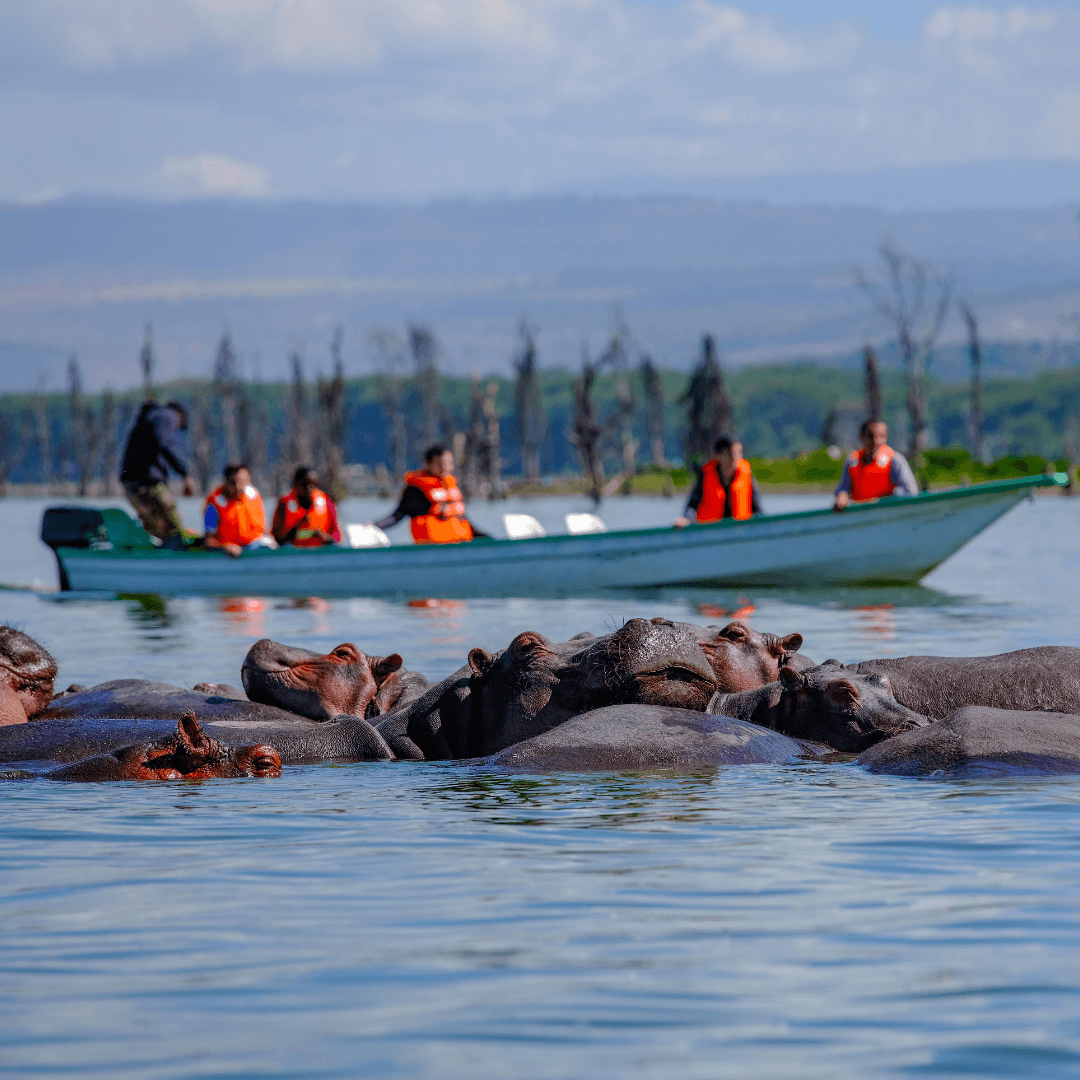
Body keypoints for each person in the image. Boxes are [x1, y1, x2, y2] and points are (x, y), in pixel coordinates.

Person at [119, 400, 195, 547]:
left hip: (131, 485)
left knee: (158, 528)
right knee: (173, 526)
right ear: (181, 417)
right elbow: (164, 443)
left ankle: (165, 550)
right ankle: (178, 552)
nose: (175, 429)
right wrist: (184, 472)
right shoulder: (168, 416)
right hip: (148, 483)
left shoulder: (150, 417)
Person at [374, 445, 486, 544]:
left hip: (460, 544)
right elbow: (397, 516)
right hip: (433, 547)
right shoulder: (416, 490)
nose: (445, 468)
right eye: (440, 464)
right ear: (428, 464)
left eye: (449, 463)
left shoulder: (450, 486)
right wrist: (374, 527)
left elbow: (462, 518)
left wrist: (486, 538)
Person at [674, 436, 762, 528]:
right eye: (730, 453)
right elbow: (692, 505)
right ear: (718, 455)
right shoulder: (705, 475)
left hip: (740, 530)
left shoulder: (747, 474)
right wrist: (685, 519)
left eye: (738, 453)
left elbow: (757, 509)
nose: (735, 457)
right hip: (712, 530)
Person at [833, 420, 919, 511]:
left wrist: (885, 498)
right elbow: (843, 488)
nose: (875, 441)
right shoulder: (852, 461)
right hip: (861, 513)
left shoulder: (895, 460)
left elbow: (911, 491)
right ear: (861, 437)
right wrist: (842, 497)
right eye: (870, 436)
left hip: (888, 511)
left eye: (881, 436)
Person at [204, 464, 272, 558]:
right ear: (226, 482)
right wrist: (226, 547)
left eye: (243, 482)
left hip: (255, 547)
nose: (238, 487)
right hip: (229, 554)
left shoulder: (254, 497)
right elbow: (208, 541)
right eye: (234, 482)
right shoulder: (214, 505)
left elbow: (264, 528)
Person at [272, 467, 341, 547]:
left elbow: (337, 537)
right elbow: (277, 537)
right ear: (295, 484)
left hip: (320, 551)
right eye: (305, 484)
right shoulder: (284, 503)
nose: (309, 488)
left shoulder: (326, 501)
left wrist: (324, 537)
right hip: (293, 551)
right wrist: (296, 530)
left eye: (313, 484)